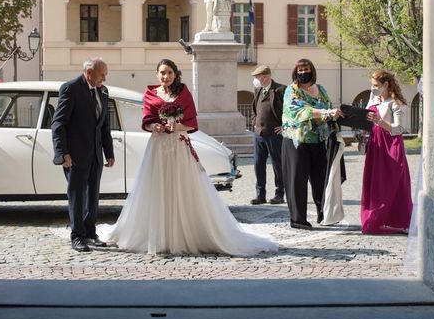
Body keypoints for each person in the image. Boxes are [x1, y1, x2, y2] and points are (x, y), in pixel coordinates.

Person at [98, 59, 278, 255]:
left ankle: (186, 233)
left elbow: (192, 123)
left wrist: (178, 127)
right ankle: (157, 234)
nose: (165, 76)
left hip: (179, 144)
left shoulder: (183, 93)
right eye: (162, 73)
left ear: (175, 74)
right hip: (158, 146)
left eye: (169, 73)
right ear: (157, 74)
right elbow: (147, 120)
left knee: (182, 186)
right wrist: (153, 126)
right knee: (157, 186)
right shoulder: (150, 93)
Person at [51, 57, 115, 252]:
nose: (104, 78)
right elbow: (58, 124)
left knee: (92, 197)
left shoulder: (103, 92)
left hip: (95, 154)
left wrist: (108, 152)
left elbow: (104, 126)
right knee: (77, 196)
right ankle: (77, 236)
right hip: (75, 155)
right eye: (101, 75)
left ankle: (89, 233)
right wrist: (62, 153)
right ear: (89, 73)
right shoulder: (70, 89)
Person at [281, 58, 344, 230]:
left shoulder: (321, 89)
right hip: (297, 141)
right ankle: (298, 219)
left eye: (306, 69)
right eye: (299, 70)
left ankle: (324, 214)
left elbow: (329, 108)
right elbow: (299, 111)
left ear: (312, 70)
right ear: (295, 72)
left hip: (320, 141)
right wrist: (325, 112)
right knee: (297, 181)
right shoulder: (291, 90)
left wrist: (333, 116)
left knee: (321, 180)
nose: (303, 73)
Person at [361, 70, 413, 234]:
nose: (373, 88)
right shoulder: (374, 101)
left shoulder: (395, 103)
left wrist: (379, 121)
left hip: (390, 145)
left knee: (392, 182)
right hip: (375, 146)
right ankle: (375, 217)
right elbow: (366, 120)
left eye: (376, 85)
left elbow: (398, 129)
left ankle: (400, 220)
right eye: (372, 85)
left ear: (386, 85)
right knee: (375, 182)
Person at [250, 65, 287, 205]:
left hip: (275, 134)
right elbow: (254, 109)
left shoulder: (280, 90)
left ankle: (279, 193)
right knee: (258, 164)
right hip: (259, 134)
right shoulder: (258, 90)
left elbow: (288, 110)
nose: (256, 80)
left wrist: (284, 126)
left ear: (266, 76)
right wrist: (255, 122)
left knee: (278, 164)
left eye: (257, 77)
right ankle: (260, 195)